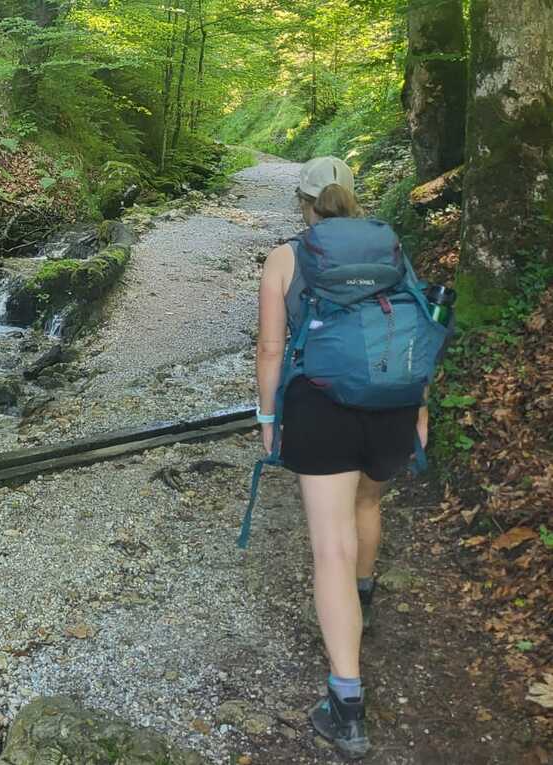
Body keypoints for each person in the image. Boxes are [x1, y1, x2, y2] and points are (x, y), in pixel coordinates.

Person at [255, 156, 429, 759]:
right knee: (369, 505)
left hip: (321, 409)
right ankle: (364, 597)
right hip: (392, 406)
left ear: (303, 201)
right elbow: (416, 328)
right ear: (353, 196)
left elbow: (271, 351)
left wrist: (268, 420)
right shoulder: (391, 247)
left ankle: (346, 704)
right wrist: (420, 411)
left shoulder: (286, 257)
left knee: (329, 544)